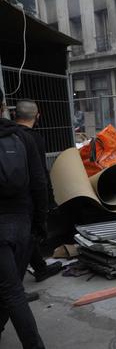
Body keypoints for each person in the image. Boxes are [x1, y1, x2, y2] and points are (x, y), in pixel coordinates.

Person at [0, 91, 47, 348]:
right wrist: (40, 223)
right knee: (10, 289)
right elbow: (39, 182)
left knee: (11, 292)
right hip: (22, 222)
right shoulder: (23, 137)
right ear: (4, 107)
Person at [14, 100, 62, 284]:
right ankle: (15, 287)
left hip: (11, 196)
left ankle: (40, 267)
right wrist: (48, 201)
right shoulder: (33, 138)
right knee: (30, 234)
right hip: (27, 197)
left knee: (27, 236)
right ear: (37, 116)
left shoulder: (8, 135)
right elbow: (40, 174)